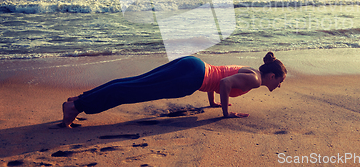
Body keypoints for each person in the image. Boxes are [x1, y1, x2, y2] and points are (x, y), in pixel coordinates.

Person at [62, 52, 287, 128]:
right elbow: (224, 84)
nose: (279, 85)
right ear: (272, 76)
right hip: (192, 77)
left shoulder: (251, 70)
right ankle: (76, 107)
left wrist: (212, 102)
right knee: (134, 91)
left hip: (194, 64)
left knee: (135, 82)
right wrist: (226, 113)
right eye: (280, 81)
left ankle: (79, 99)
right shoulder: (256, 81)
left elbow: (220, 78)